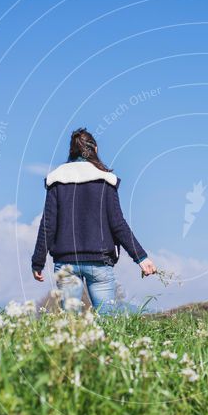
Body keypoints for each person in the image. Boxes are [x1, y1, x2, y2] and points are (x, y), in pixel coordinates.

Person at [31, 127, 156, 314]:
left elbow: (48, 224)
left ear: (71, 151)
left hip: (66, 262)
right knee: (108, 323)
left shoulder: (56, 180)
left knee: (71, 327)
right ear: (95, 150)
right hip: (100, 261)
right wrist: (141, 257)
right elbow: (117, 223)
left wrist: (38, 261)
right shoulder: (105, 180)